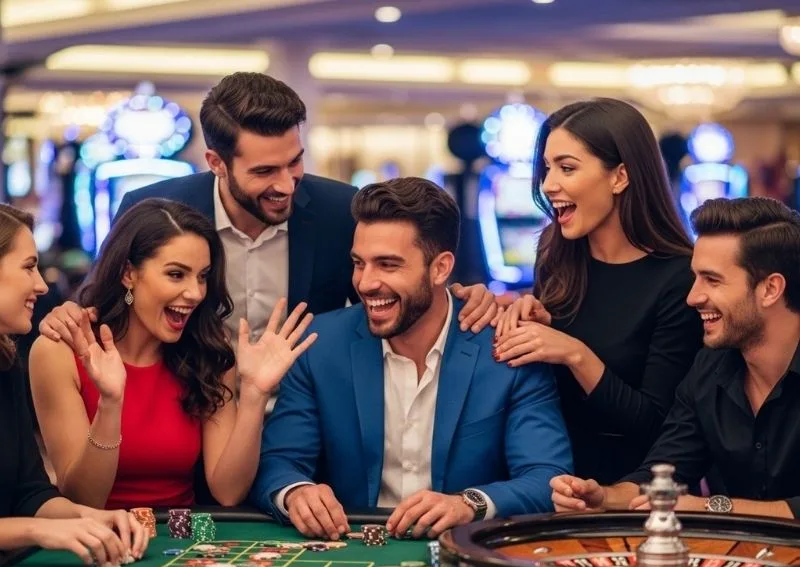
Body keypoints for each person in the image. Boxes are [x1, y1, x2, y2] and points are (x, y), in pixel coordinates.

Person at [38, 72, 498, 349]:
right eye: (263, 171)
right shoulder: (152, 208)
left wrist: (459, 299)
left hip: (305, 425)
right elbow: (102, 305)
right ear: (216, 163)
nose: (286, 184)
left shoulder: (341, 210)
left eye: (294, 162)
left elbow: (388, 295)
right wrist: (69, 315)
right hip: (190, 418)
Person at [250, 178, 573, 540]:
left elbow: (548, 477)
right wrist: (296, 492)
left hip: (465, 547)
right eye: (359, 263)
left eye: (387, 265)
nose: (365, 283)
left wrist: (469, 504)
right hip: (353, 547)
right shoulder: (319, 344)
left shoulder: (507, 347)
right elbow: (279, 462)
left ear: (440, 268)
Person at [29, 199, 316, 510]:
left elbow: (228, 491)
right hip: (95, 533)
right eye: (177, 274)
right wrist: (110, 404)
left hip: (181, 535)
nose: (195, 293)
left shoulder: (207, 351)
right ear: (128, 273)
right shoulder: (59, 352)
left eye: (203, 276)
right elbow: (83, 500)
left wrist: (254, 395)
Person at [494, 98, 703, 485]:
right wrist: (534, 321)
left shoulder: (681, 278)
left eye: (567, 168)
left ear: (620, 176)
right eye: (547, 168)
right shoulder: (554, 253)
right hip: (543, 475)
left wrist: (574, 353)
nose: (548, 184)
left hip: (627, 490)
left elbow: (657, 426)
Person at [550, 196, 800, 519]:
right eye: (695, 278)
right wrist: (605, 497)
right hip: (736, 551)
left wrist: (712, 508)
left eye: (712, 280)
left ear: (770, 289)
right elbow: (666, 467)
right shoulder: (710, 366)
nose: (693, 297)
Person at [0, 204, 149, 567]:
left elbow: (30, 494)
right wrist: (37, 532)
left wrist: (94, 517)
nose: (41, 285)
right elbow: (31, 520)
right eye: (28, 267)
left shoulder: (5, 363)